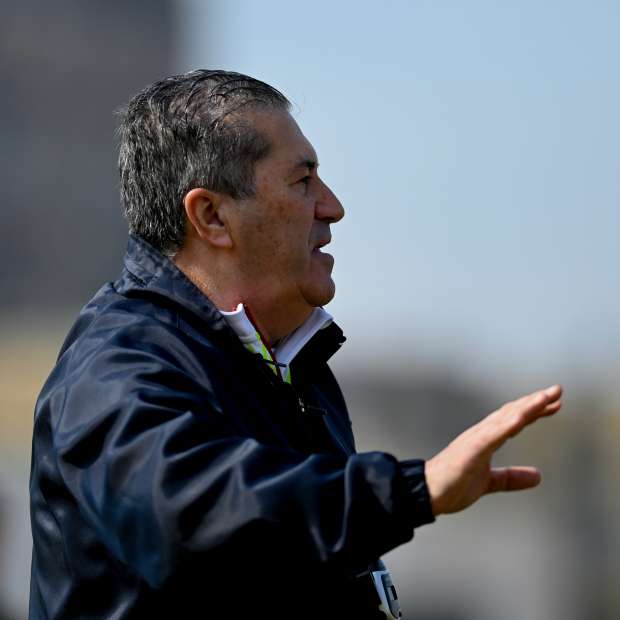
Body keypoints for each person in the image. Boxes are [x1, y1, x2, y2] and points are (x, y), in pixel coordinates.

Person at [29, 70, 562, 620]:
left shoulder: (290, 366)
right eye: (304, 180)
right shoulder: (114, 366)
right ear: (212, 217)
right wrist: (411, 489)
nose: (332, 207)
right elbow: (192, 520)